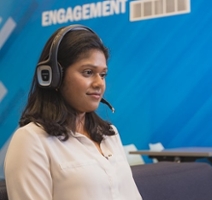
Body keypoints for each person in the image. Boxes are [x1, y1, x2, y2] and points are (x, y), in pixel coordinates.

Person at [4, 24, 142, 200]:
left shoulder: (109, 134)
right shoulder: (31, 140)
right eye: (88, 72)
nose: (99, 83)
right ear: (54, 76)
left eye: (103, 74)